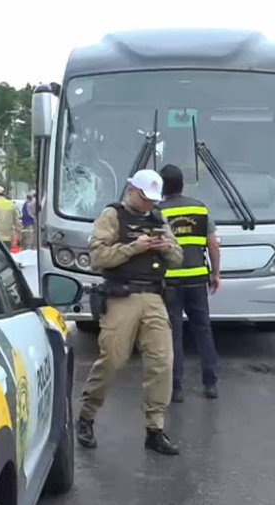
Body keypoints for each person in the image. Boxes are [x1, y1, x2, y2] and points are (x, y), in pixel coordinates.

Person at [76, 169, 184, 456]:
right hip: (122, 295)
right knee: (113, 359)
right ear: (131, 191)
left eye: (153, 200)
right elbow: (98, 258)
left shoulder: (159, 218)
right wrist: (134, 248)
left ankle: (155, 428)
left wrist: (165, 248)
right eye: (145, 198)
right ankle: (86, 416)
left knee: (163, 360)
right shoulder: (112, 216)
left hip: (153, 296)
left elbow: (177, 257)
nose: (150, 205)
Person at [157, 164, 221, 403]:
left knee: (174, 335)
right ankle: (210, 383)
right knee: (203, 331)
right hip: (197, 282)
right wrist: (216, 273)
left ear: (161, 188)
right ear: (182, 184)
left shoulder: (157, 212)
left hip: (169, 283)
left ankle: (176, 389)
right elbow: (213, 244)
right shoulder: (199, 209)